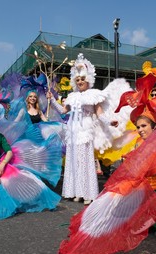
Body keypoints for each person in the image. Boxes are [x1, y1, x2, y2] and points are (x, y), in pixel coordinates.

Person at [49, 53, 119, 205]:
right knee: (73, 161)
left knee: (84, 161)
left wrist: (110, 122)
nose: (80, 81)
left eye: (82, 79)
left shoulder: (94, 95)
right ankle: (75, 191)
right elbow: (62, 111)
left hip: (85, 131)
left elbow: (100, 114)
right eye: (78, 79)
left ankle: (87, 192)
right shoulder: (72, 96)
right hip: (73, 131)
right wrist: (52, 99)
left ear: (88, 79)